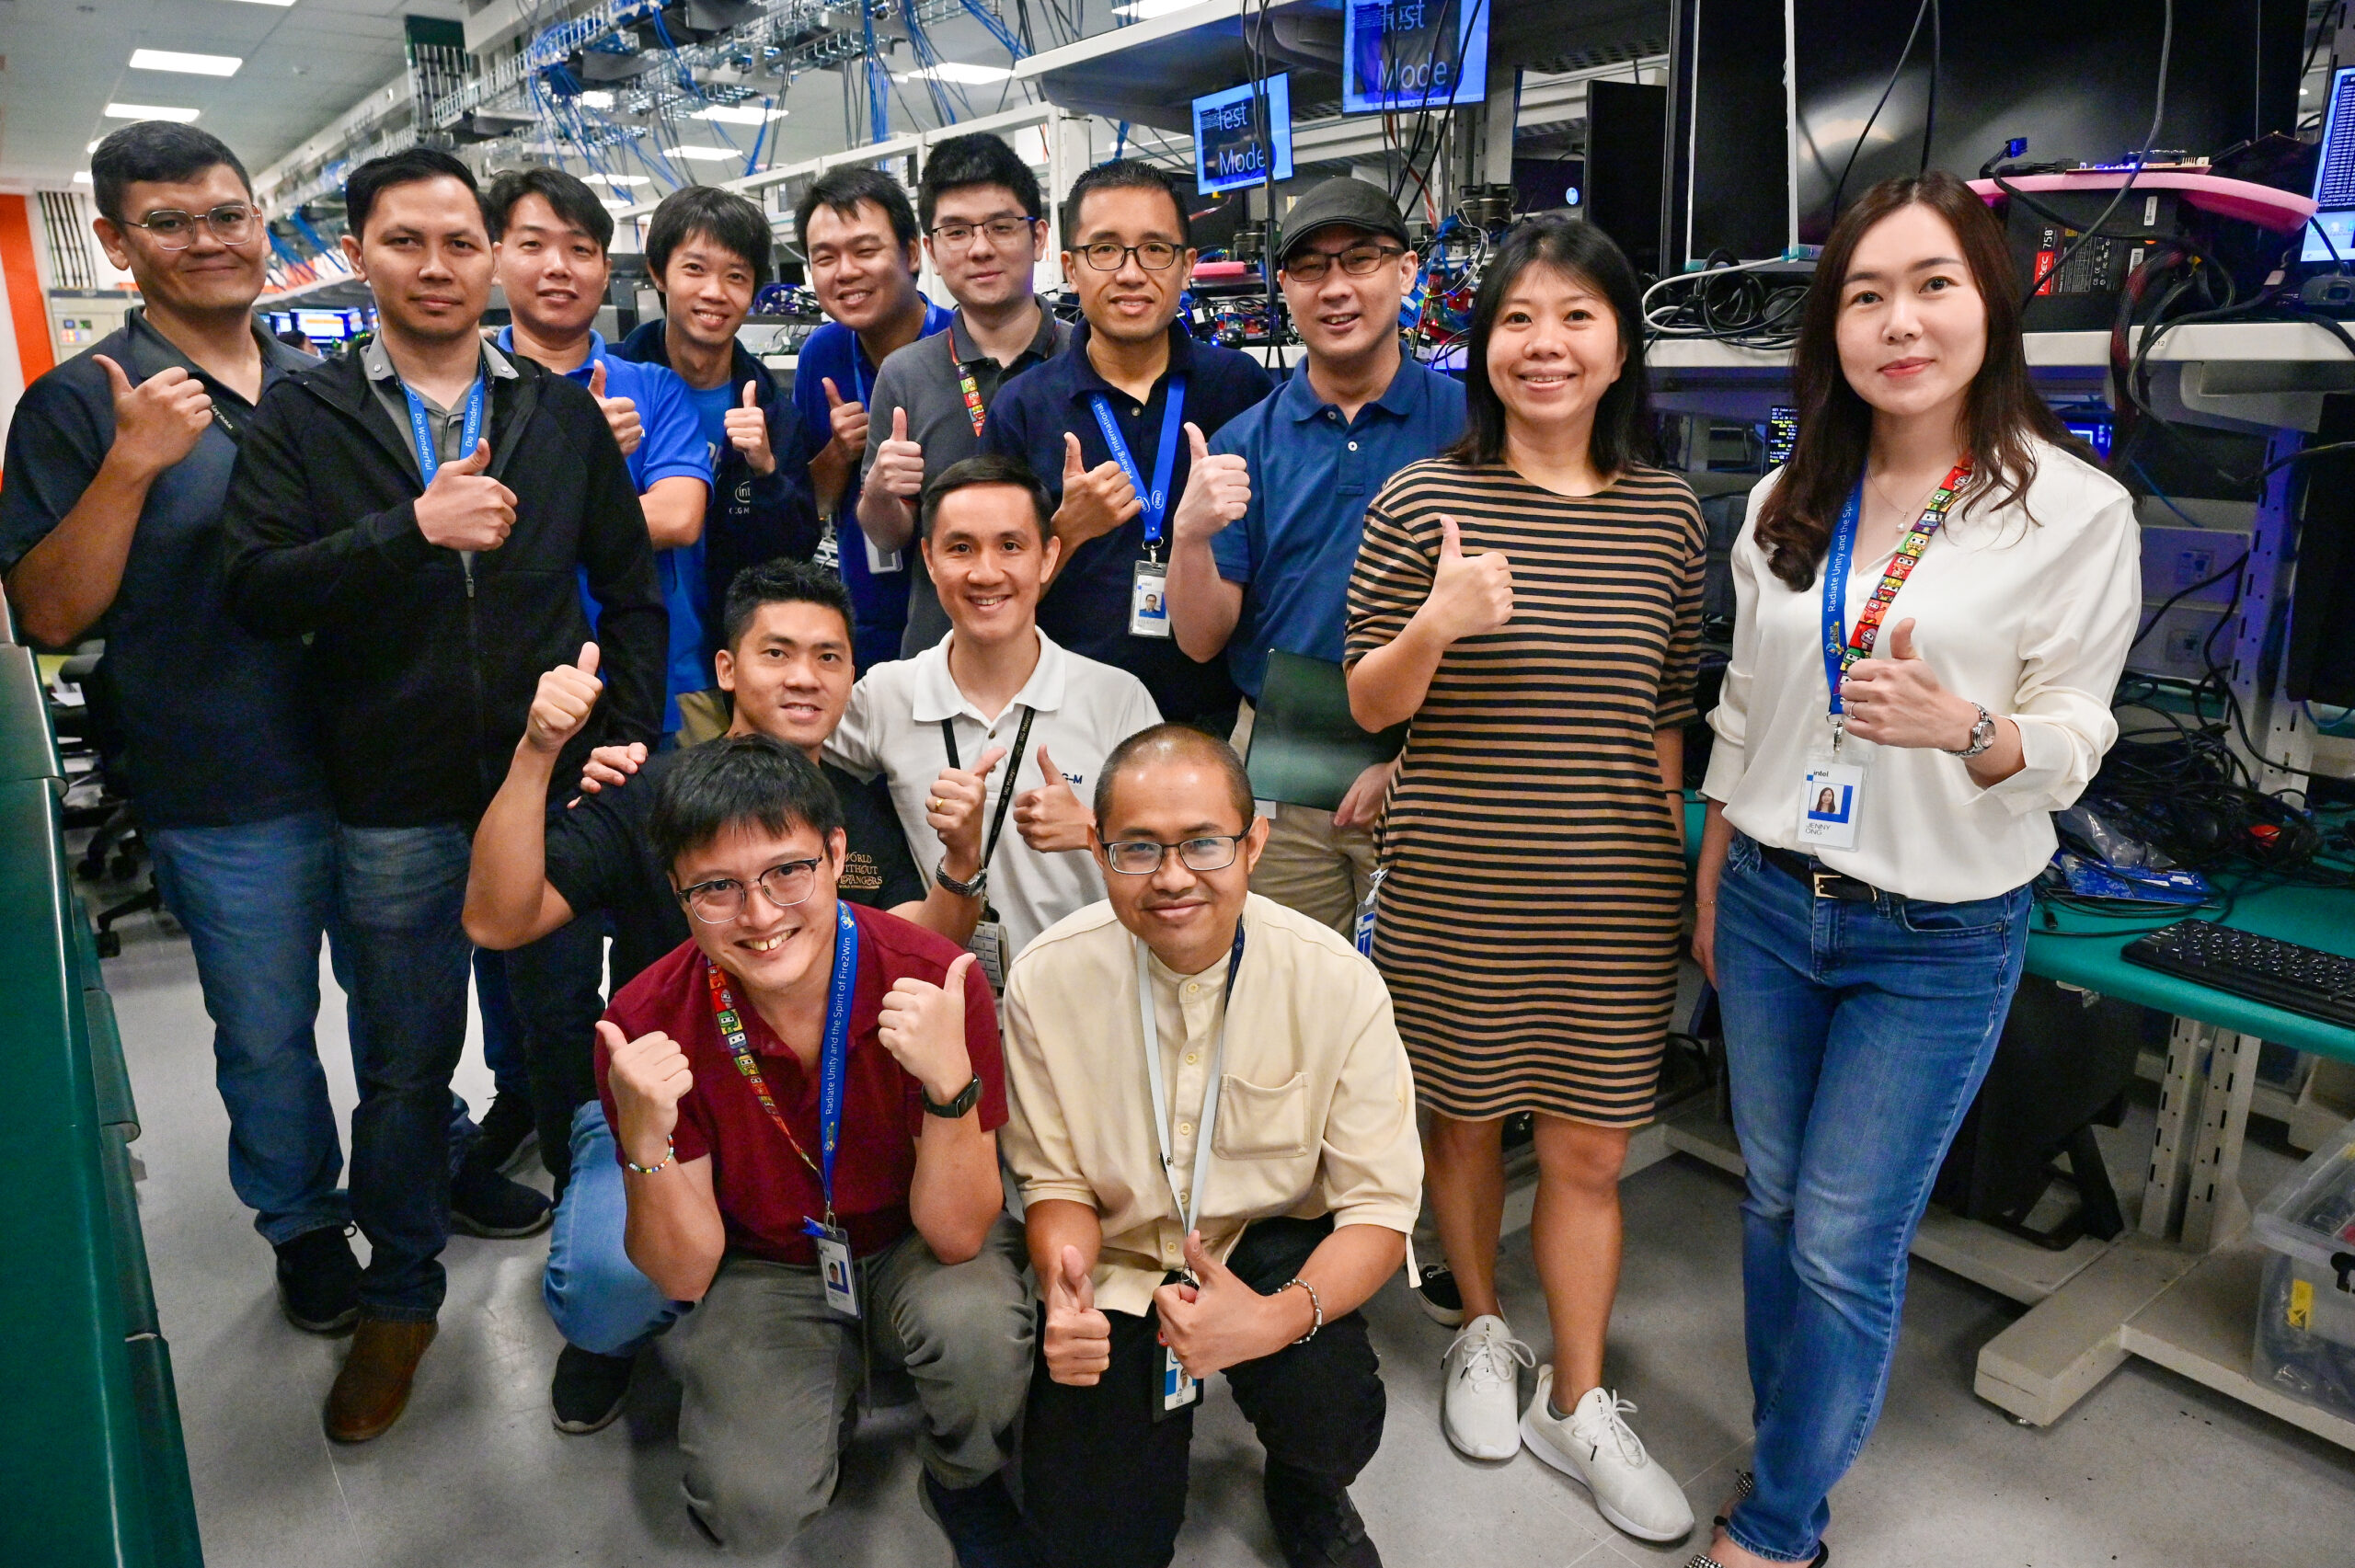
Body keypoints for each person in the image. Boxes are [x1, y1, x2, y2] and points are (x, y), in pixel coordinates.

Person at [1689, 173, 2139, 1568]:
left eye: (1932, 284)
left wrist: (1971, 728)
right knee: (1767, 1203)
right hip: (1768, 898)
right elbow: (1749, 713)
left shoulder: (2071, 512)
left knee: (1839, 1237)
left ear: (1989, 304)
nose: (1900, 321)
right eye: (1866, 294)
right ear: (1830, 328)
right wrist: (1712, 881)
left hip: (1933, 930)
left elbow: (2080, 731)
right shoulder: (1785, 498)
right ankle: (1795, 1439)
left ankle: (1779, 1522)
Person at [220, 145, 666, 1443]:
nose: (436, 266)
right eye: (405, 241)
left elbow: (630, 591)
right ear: (357, 253)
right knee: (405, 1066)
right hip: (396, 800)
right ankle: (402, 1299)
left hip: (546, 794)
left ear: (492, 258)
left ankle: (606, 1292)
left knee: (562, 1046)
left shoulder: (555, 412)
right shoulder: (307, 418)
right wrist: (407, 530)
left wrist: (618, 744)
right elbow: (254, 588)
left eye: (459, 242)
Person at [0, 120, 394, 1338]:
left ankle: (411, 1182)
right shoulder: (85, 403)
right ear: (118, 245)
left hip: (381, 766)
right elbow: (49, 610)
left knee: (400, 1006)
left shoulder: (333, 384)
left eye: (227, 213)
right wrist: (130, 469)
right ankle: (306, 1224)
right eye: (169, 222)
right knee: (269, 1030)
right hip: (228, 786)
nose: (209, 239)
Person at [1343, 217, 1703, 1544]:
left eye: (1577, 317)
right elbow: (1377, 706)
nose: (1544, 345)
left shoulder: (1668, 514)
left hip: (1612, 893)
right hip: (1455, 884)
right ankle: (1482, 1330)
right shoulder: (1419, 500)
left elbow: (1666, 720)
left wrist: (1668, 872)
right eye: (1517, 319)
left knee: (1594, 1151)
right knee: (1465, 1122)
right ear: (1482, 341)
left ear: (1620, 346)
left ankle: (1581, 1392)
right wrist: (1440, 618)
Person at [463, 557, 992, 1433]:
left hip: (820, 1090)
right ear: (725, 668)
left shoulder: (858, 803)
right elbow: (496, 918)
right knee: (609, 1290)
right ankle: (625, 1336)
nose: (803, 676)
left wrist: (963, 866)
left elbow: (920, 943)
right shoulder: (650, 791)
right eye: (776, 652)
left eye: (827, 656)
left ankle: (769, 1316)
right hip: (665, 1098)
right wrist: (537, 753)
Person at [593, 737, 1034, 1562]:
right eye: (717, 888)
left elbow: (959, 1234)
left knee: (978, 1329)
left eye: (786, 871)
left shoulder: (935, 979)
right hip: (765, 1263)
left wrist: (951, 1089)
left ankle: (958, 1471)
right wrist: (644, 1141)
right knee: (748, 1507)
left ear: (837, 854)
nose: (760, 915)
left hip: (911, 1237)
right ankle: (815, 1393)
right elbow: (685, 1274)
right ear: (677, 892)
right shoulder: (645, 1021)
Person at [1003, 724, 1421, 1568]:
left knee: (1332, 1418)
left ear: (1254, 841)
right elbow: (1055, 1185)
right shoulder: (1045, 979)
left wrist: (1269, 1321)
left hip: (1265, 1247)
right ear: (1097, 846)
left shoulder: (1337, 981)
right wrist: (1066, 1281)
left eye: (1203, 843)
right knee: (1096, 1542)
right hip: (1121, 1259)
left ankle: (1304, 1482)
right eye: (1137, 848)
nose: (1171, 877)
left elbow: (1379, 1209)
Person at [471, 164, 721, 1178]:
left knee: (666, 930)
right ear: (499, 255)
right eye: (533, 243)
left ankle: (660, 1130)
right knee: (530, 939)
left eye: (581, 248)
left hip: (647, 705)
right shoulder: (466, 393)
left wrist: (587, 481)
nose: (558, 267)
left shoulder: (647, 388)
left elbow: (678, 515)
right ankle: (549, 1113)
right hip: (515, 714)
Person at [1164, 176, 1465, 940]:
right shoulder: (1242, 442)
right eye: (1309, 268)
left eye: (1359, 260)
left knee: (1420, 1001)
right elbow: (1201, 638)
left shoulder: (1473, 429)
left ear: (1407, 273)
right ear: (1285, 289)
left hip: (1434, 762)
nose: (1335, 288)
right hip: (1282, 767)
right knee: (1286, 996)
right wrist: (1191, 534)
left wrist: (1412, 766)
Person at [828, 455, 1163, 974]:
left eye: (1011, 546)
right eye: (960, 548)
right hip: (947, 997)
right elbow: (785, 746)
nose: (986, 573)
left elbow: (1182, 848)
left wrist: (1094, 830)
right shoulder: (884, 695)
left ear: (1048, 557)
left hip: (1092, 993)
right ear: (929, 559)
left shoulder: (1117, 698)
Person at [980, 159, 1273, 733]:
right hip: (1065, 718)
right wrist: (1066, 530)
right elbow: (988, 587)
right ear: (1070, 267)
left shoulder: (1239, 387)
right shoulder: (1022, 407)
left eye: (1155, 249)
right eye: (1105, 250)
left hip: (1213, 716)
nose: (1131, 273)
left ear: (1188, 266)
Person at [858, 132, 1073, 658]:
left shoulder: (1085, 360)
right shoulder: (905, 373)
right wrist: (882, 493)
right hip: (941, 656)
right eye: (956, 231)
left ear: (1039, 237)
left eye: (1002, 227)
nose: (980, 248)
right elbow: (887, 537)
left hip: (1072, 651)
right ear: (930, 250)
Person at [615, 182, 822, 720]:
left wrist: (767, 471)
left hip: (724, 672)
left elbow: (797, 547)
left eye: (736, 277)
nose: (715, 292)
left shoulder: (773, 409)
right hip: (619, 662)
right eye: (695, 270)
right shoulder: (608, 386)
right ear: (659, 273)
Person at [790, 166, 956, 669]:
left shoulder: (962, 345)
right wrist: (840, 453)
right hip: (864, 614)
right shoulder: (822, 353)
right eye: (825, 258)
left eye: (864, 251)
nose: (845, 272)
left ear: (911, 254)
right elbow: (810, 503)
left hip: (956, 618)